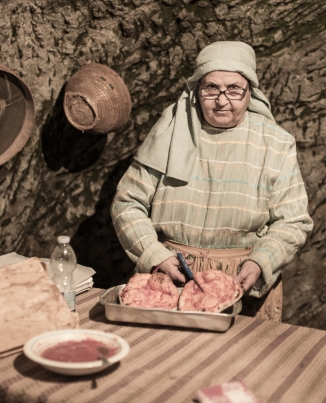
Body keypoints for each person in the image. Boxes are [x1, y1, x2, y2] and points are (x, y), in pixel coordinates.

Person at [111, 41, 313, 322]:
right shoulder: (170, 132)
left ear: (250, 91)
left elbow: (293, 221)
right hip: (170, 279)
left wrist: (261, 261)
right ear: (197, 90)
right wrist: (155, 255)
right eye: (211, 89)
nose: (221, 100)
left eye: (234, 89)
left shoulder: (276, 144)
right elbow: (127, 203)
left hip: (242, 285)